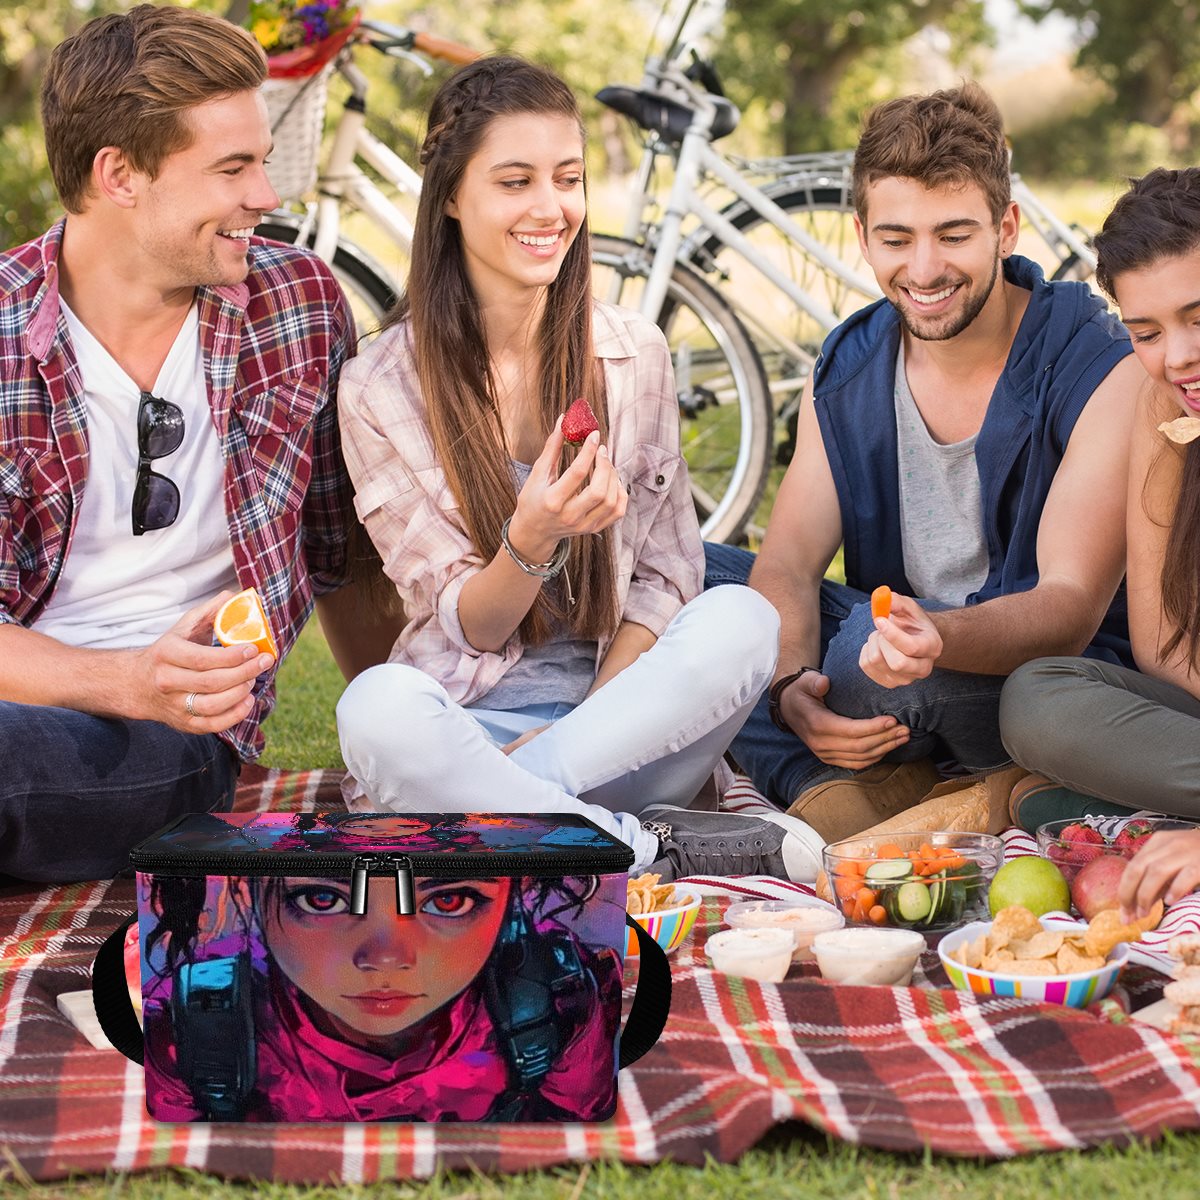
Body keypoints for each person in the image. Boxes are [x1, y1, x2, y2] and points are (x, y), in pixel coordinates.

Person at [333, 55, 825, 883]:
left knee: (742, 619)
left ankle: (523, 820)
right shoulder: (381, 388)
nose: (550, 208)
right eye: (516, 180)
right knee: (375, 712)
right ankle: (634, 846)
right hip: (467, 729)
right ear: (452, 198)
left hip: (625, 729)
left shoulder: (633, 352)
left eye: (568, 178)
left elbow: (666, 581)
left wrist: (566, 739)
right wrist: (531, 538)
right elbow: (469, 625)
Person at [0, 5, 397, 885]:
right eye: (233, 167)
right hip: (50, 689)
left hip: (171, 730)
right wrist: (116, 677)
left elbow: (346, 557)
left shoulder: (294, 306)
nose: (268, 195)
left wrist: (406, 755)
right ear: (119, 174)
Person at [704, 82, 1141, 842]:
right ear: (863, 234)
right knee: (686, 579)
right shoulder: (846, 366)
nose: (926, 269)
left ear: (1006, 228)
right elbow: (787, 565)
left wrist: (933, 640)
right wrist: (783, 688)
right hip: (892, 645)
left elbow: (1070, 608)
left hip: (1026, 677)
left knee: (860, 662)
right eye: (898, 238)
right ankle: (851, 789)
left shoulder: (1094, 359)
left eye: (954, 234)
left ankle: (871, 778)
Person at [998, 169, 1200, 918]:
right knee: (1037, 699)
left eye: (1198, 318)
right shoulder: (1163, 410)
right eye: (1146, 333)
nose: (1178, 356)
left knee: (1047, 790)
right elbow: (1161, 645)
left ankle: (1131, 806)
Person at [140, 866, 624, 1121]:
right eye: (322, 898)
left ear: (512, 895)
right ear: (246, 892)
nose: (386, 958)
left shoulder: (564, 1003)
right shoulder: (196, 1030)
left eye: (449, 900)